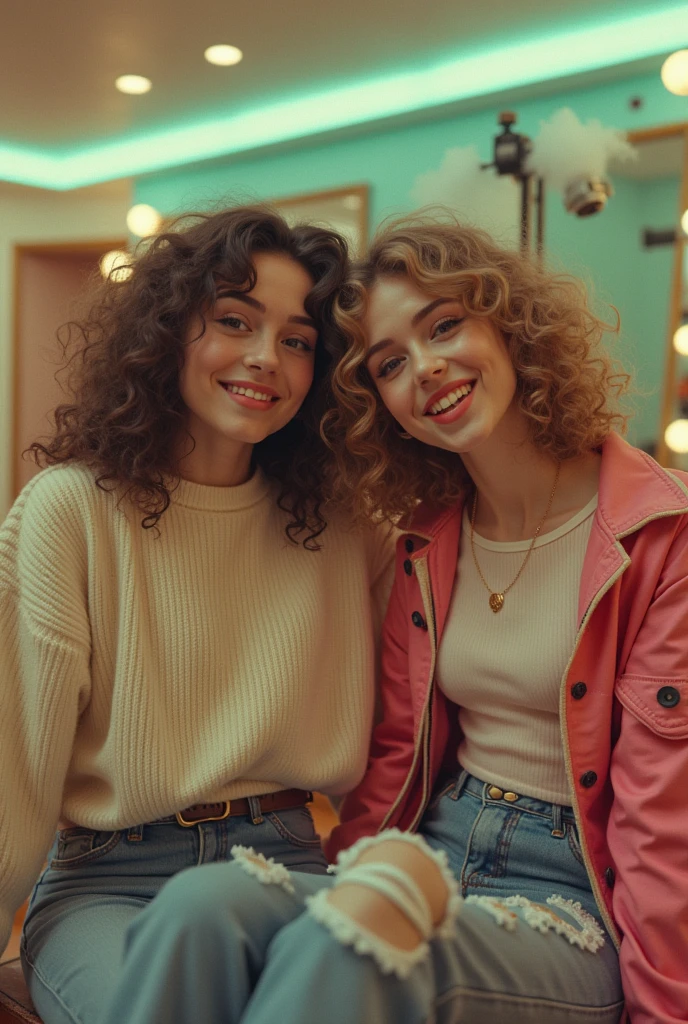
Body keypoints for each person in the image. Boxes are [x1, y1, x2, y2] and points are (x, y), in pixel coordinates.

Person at [105, 215, 688, 1024]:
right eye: (389, 362)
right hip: (428, 849)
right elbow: (394, 759)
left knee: (343, 947)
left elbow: (666, 830)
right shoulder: (427, 536)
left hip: (573, 900)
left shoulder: (661, 537)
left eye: (445, 325)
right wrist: (349, 873)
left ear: (512, 326)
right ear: (379, 402)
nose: (427, 368)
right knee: (202, 906)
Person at [0, 205, 396, 1024]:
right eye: (233, 320)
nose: (264, 358)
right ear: (167, 332)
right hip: (108, 883)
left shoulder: (348, 527)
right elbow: (14, 776)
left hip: (287, 869)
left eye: (296, 339)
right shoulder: (68, 512)